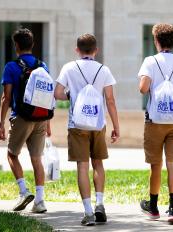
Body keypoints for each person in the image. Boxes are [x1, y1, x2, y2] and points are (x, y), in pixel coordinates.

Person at [54, 33, 120, 226]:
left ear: (77, 50)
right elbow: (110, 100)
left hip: (77, 124)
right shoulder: (104, 70)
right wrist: (116, 126)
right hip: (98, 124)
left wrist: (73, 96)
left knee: (82, 166)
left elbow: (58, 93)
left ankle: (88, 212)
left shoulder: (69, 67)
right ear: (96, 50)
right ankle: (100, 204)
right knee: (98, 163)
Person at [138, 23, 173, 224]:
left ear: (156, 40)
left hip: (154, 121)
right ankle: (172, 209)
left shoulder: (150, 61)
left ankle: (153, 208)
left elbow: (143, 88)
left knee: (155, 165)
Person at [0, 28, 51, 213]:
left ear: (17, 46)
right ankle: (40, 201)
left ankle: (23, 192)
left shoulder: (11, 67)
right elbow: (46, 96)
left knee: (12, 154)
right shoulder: (42, 65)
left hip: (21, 117)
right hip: (41, 118)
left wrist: (1, 122)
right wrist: (48, 123)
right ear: (33, 44)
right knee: (37, 159)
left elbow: (6, 97)